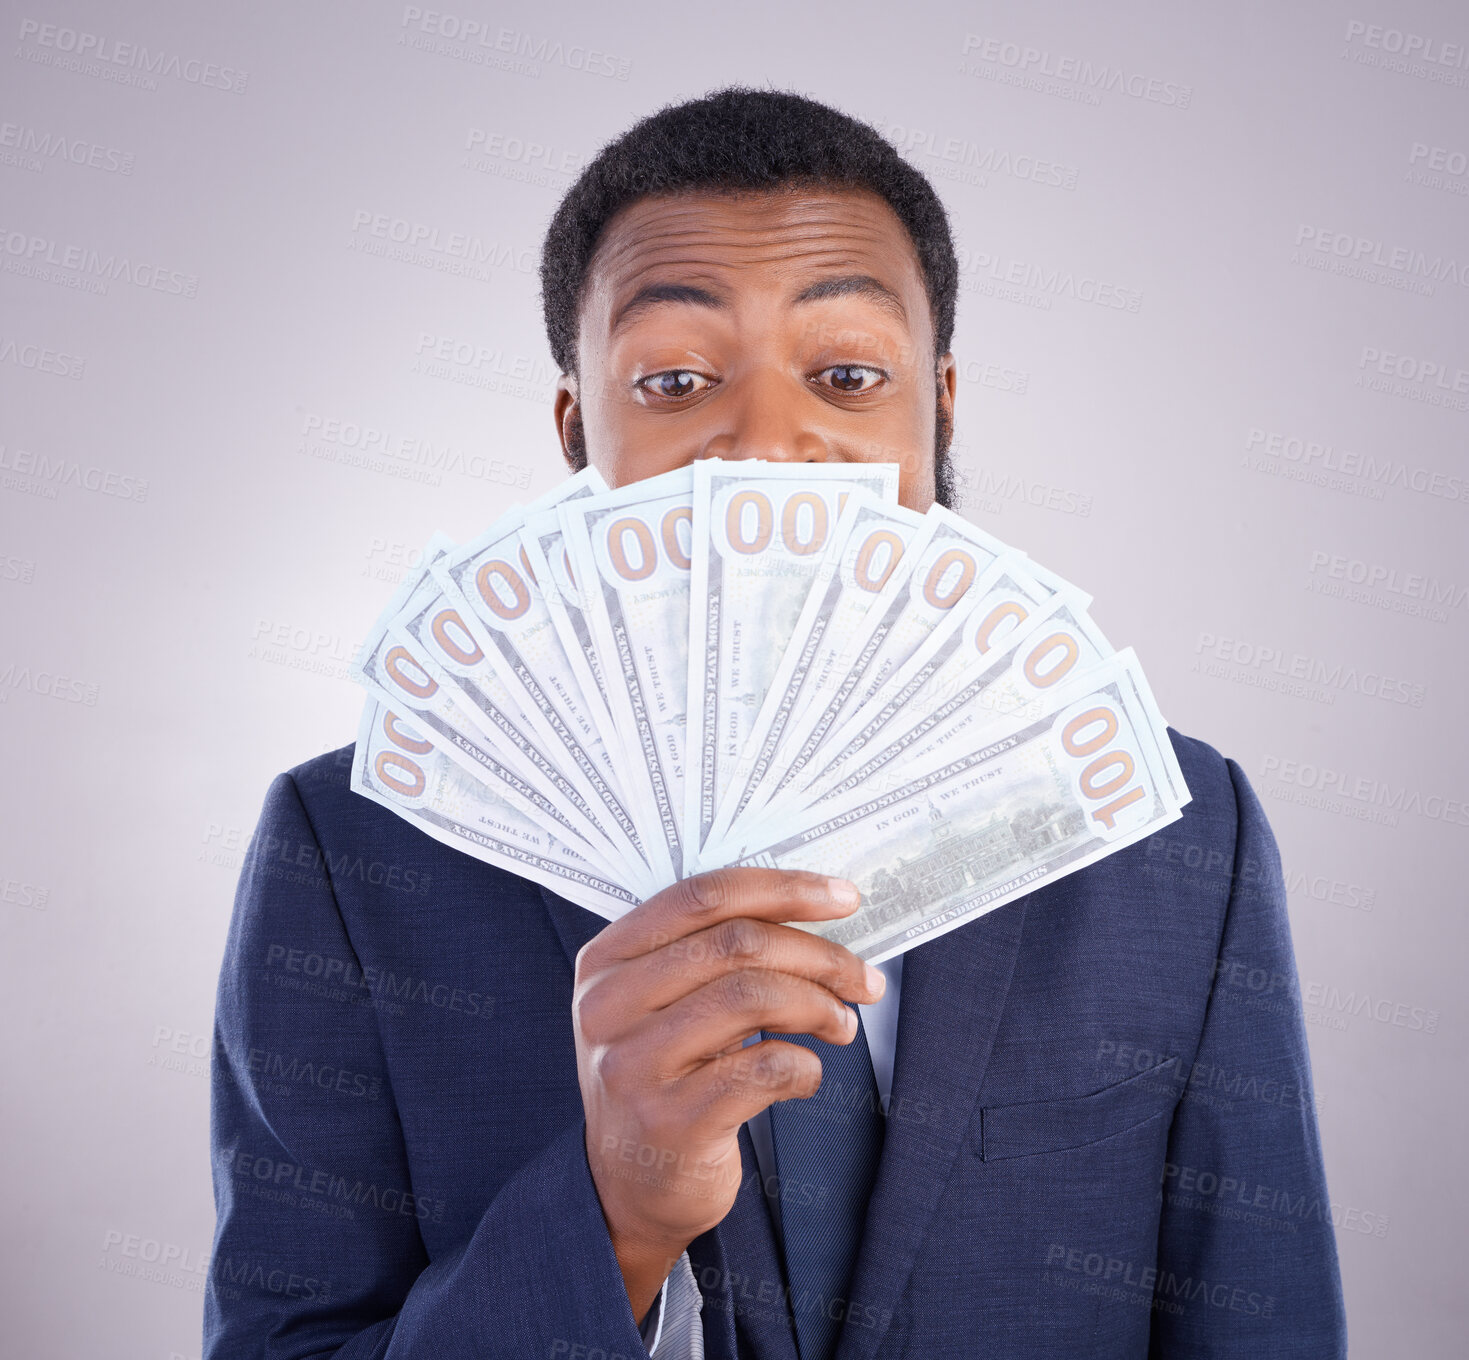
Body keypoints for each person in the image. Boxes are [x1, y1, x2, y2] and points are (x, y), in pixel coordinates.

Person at [205, 86, 1347, 1359]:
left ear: (941, 407)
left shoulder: (1171, 835)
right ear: (578, 427)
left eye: (848, 374)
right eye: (678, 379)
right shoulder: (353, 847)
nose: (763, 448)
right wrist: (614, 1220)